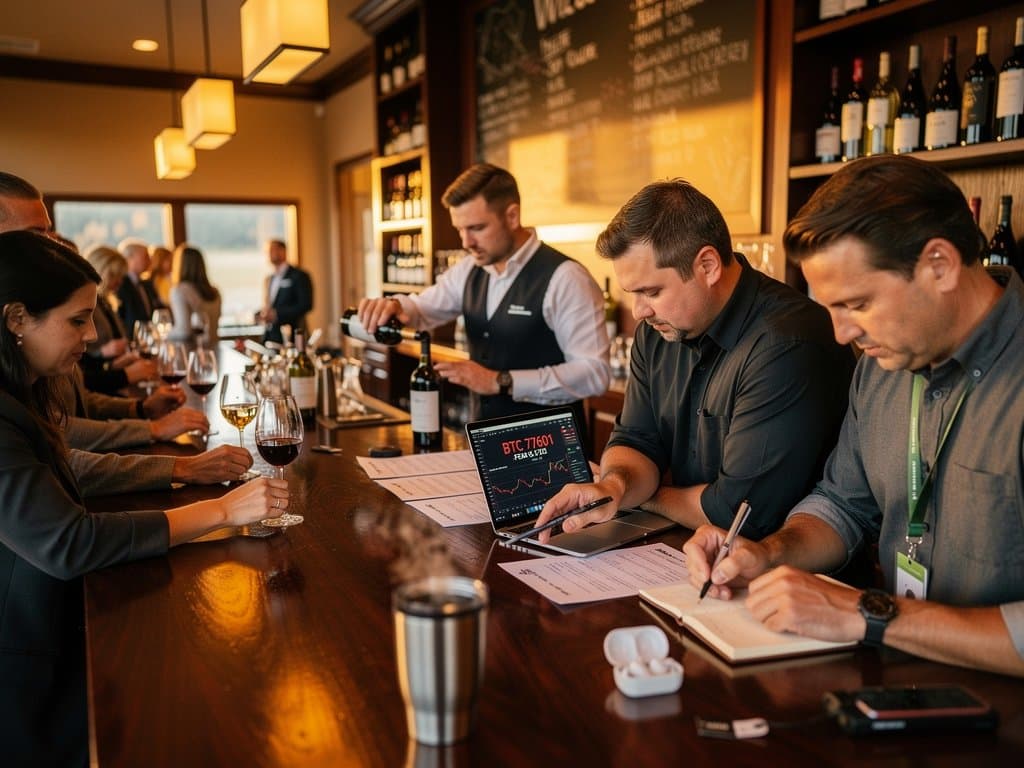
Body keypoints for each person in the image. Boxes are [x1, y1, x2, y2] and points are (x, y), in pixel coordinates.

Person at [683, 155, 1024, 677]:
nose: (842, 335)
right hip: (902, 682)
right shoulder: (882, 365)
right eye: (830, 309)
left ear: (940, 265)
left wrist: (868, 614)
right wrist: (768, 553)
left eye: (858, 304)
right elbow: (841, 504)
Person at [0, 230, 292, 765]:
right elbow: (68, 542)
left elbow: (71, 472)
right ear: (17, 318)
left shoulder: (24, 389)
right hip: (24, 665)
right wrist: (222, 510)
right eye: (77, 320)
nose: (90, 336)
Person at [536, 179, 854, 541]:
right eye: (633, 294)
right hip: (695, 550)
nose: (639, 311)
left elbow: (738, 515)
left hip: (790, 573)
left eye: (652, 291)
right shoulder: (658, 330)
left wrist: (642, 497)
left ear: (707, 265)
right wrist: (615, 486)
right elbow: (637, 441)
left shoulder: (787, 343)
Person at [358, 163, 610, 426]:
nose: (466, 242)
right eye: (460, 229)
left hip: (551, 448)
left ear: (512, 216)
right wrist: (395, 306)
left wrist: (499, 381)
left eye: (476, 228)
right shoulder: (468, 269)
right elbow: (422, 310)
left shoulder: (566, 277)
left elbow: (595, 372)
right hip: (485, 443)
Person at [81, 244, 156, 394]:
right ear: (101, 271)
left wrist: (120, 361)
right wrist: (101, 353)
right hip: (101, 386)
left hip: (112, 378)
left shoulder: (106, 302)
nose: (119, 282)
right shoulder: (87, 305)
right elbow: (83, 363)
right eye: (115, 276)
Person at [258, 239, 312, 344]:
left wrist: (277, 313)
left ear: (283, 251)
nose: (269, 254)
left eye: (272, 250)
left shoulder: (299, 276)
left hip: (292, 336)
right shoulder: (269, 279)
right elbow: (270, 304)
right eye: (267, 251)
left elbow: (306, 305)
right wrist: (261, 314)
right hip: (271, 336)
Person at [168, 243, 222, 344]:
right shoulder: (215, 292)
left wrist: (165, 336)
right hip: (215, 347)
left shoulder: (179, 291)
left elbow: (184, 330)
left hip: (193, 352)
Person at [116, 237, 157, 336]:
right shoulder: (119, 285)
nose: (150, 260)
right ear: (130, 258)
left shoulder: (146, 283)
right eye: (145, 256)